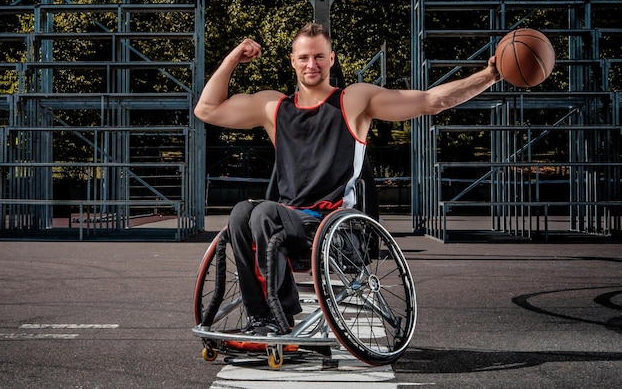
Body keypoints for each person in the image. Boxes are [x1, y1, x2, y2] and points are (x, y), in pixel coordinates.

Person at [194, 22, 501, 335]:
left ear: (332, 59)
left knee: (262, 212)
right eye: (303, 57)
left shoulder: (354, 101)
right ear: (292, 61)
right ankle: (262, 317)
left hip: (338, 230)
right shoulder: (274, 107)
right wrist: (233, 58)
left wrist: (490, 75)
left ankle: (279, 317)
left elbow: (430, 100)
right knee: (242, 212)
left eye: (318, 56)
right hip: (289, 226)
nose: (311, 64)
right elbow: (206, 109)